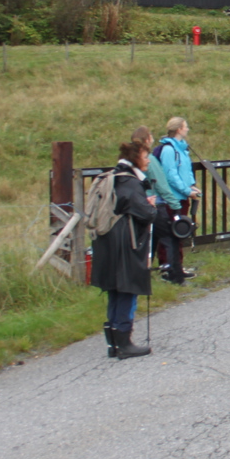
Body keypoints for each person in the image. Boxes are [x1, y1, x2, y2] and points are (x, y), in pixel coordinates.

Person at [91, 140, 156, 359]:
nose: (148, 160)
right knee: (127, 289)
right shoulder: (130, 183)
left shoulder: (112, 177)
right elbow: (147, 213)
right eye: (146, 156)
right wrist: (150, 205)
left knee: (114, 291)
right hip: (125, 244)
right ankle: (125, 342)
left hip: (106, 242)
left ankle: (113, 343)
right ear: (136, 157)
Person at [132, 125, 185, 281]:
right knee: (169, 238)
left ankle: (142, 274)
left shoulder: (131, 159)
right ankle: (174, 274)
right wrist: (175, 205)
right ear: (148, 139)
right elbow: (161, 185)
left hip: (138, 204)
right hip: (155, 203)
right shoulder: (150, 160)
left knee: (147, 241)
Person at [154, 117, 200, 285]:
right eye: (185, 126)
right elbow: (171, 175)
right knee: (171, 232)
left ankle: (177, 267)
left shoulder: (180, 149)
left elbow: (183, 172)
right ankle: (167, 268)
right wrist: (187, 190)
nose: (187, 129)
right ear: (179, 129)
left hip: (181, 196)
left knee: (179, 232)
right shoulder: (169, 150)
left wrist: (191, 187)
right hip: (172, 199)